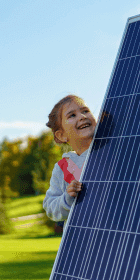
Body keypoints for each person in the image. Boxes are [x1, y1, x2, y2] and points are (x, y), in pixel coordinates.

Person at [43, 94, 97, 222]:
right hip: (84, 237)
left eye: (85, 111)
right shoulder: (62, 167)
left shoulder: (112, 152)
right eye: (72, 115)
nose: (82, 117)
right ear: (61, 135)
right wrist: (67, 198)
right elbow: (50, 208)